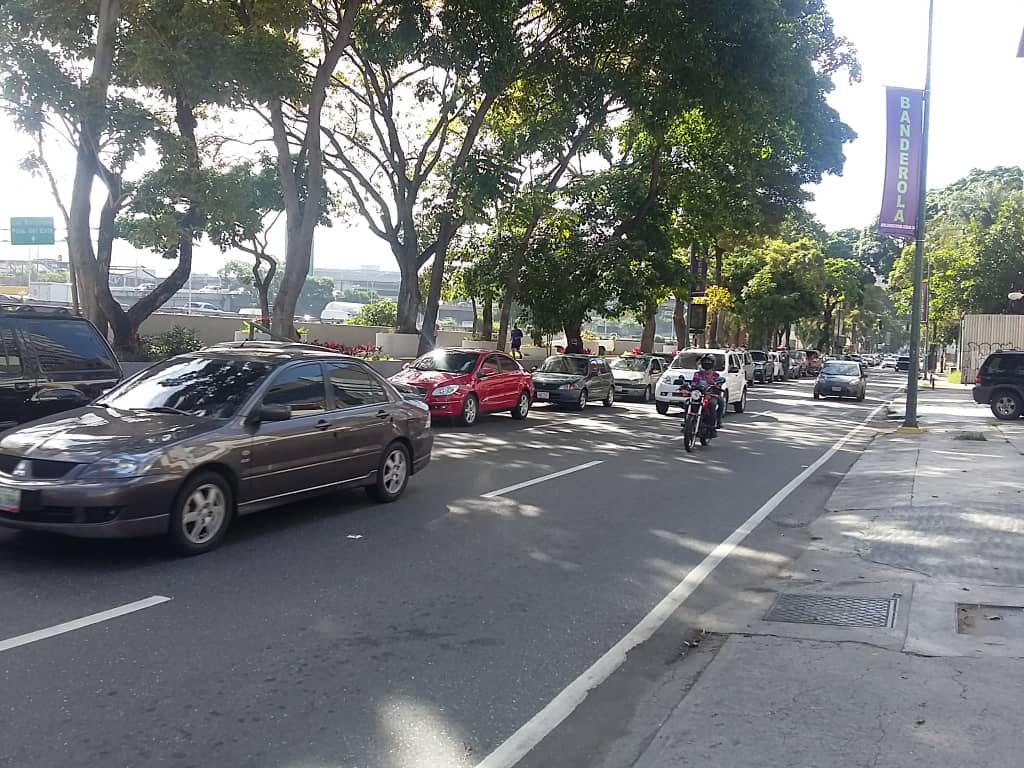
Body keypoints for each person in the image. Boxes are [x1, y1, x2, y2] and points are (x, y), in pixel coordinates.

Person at [690, 354, 724, 429]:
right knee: (687, 403)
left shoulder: (716, 375)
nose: (706, 363)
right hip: (699, 395)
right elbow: (693, 384)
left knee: (713, 404)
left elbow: (718, 387)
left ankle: (715, 423)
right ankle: (688, 421)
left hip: (711, 396)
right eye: (705, 361)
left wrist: (714, 384)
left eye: (708, 362)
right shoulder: (697, 374)